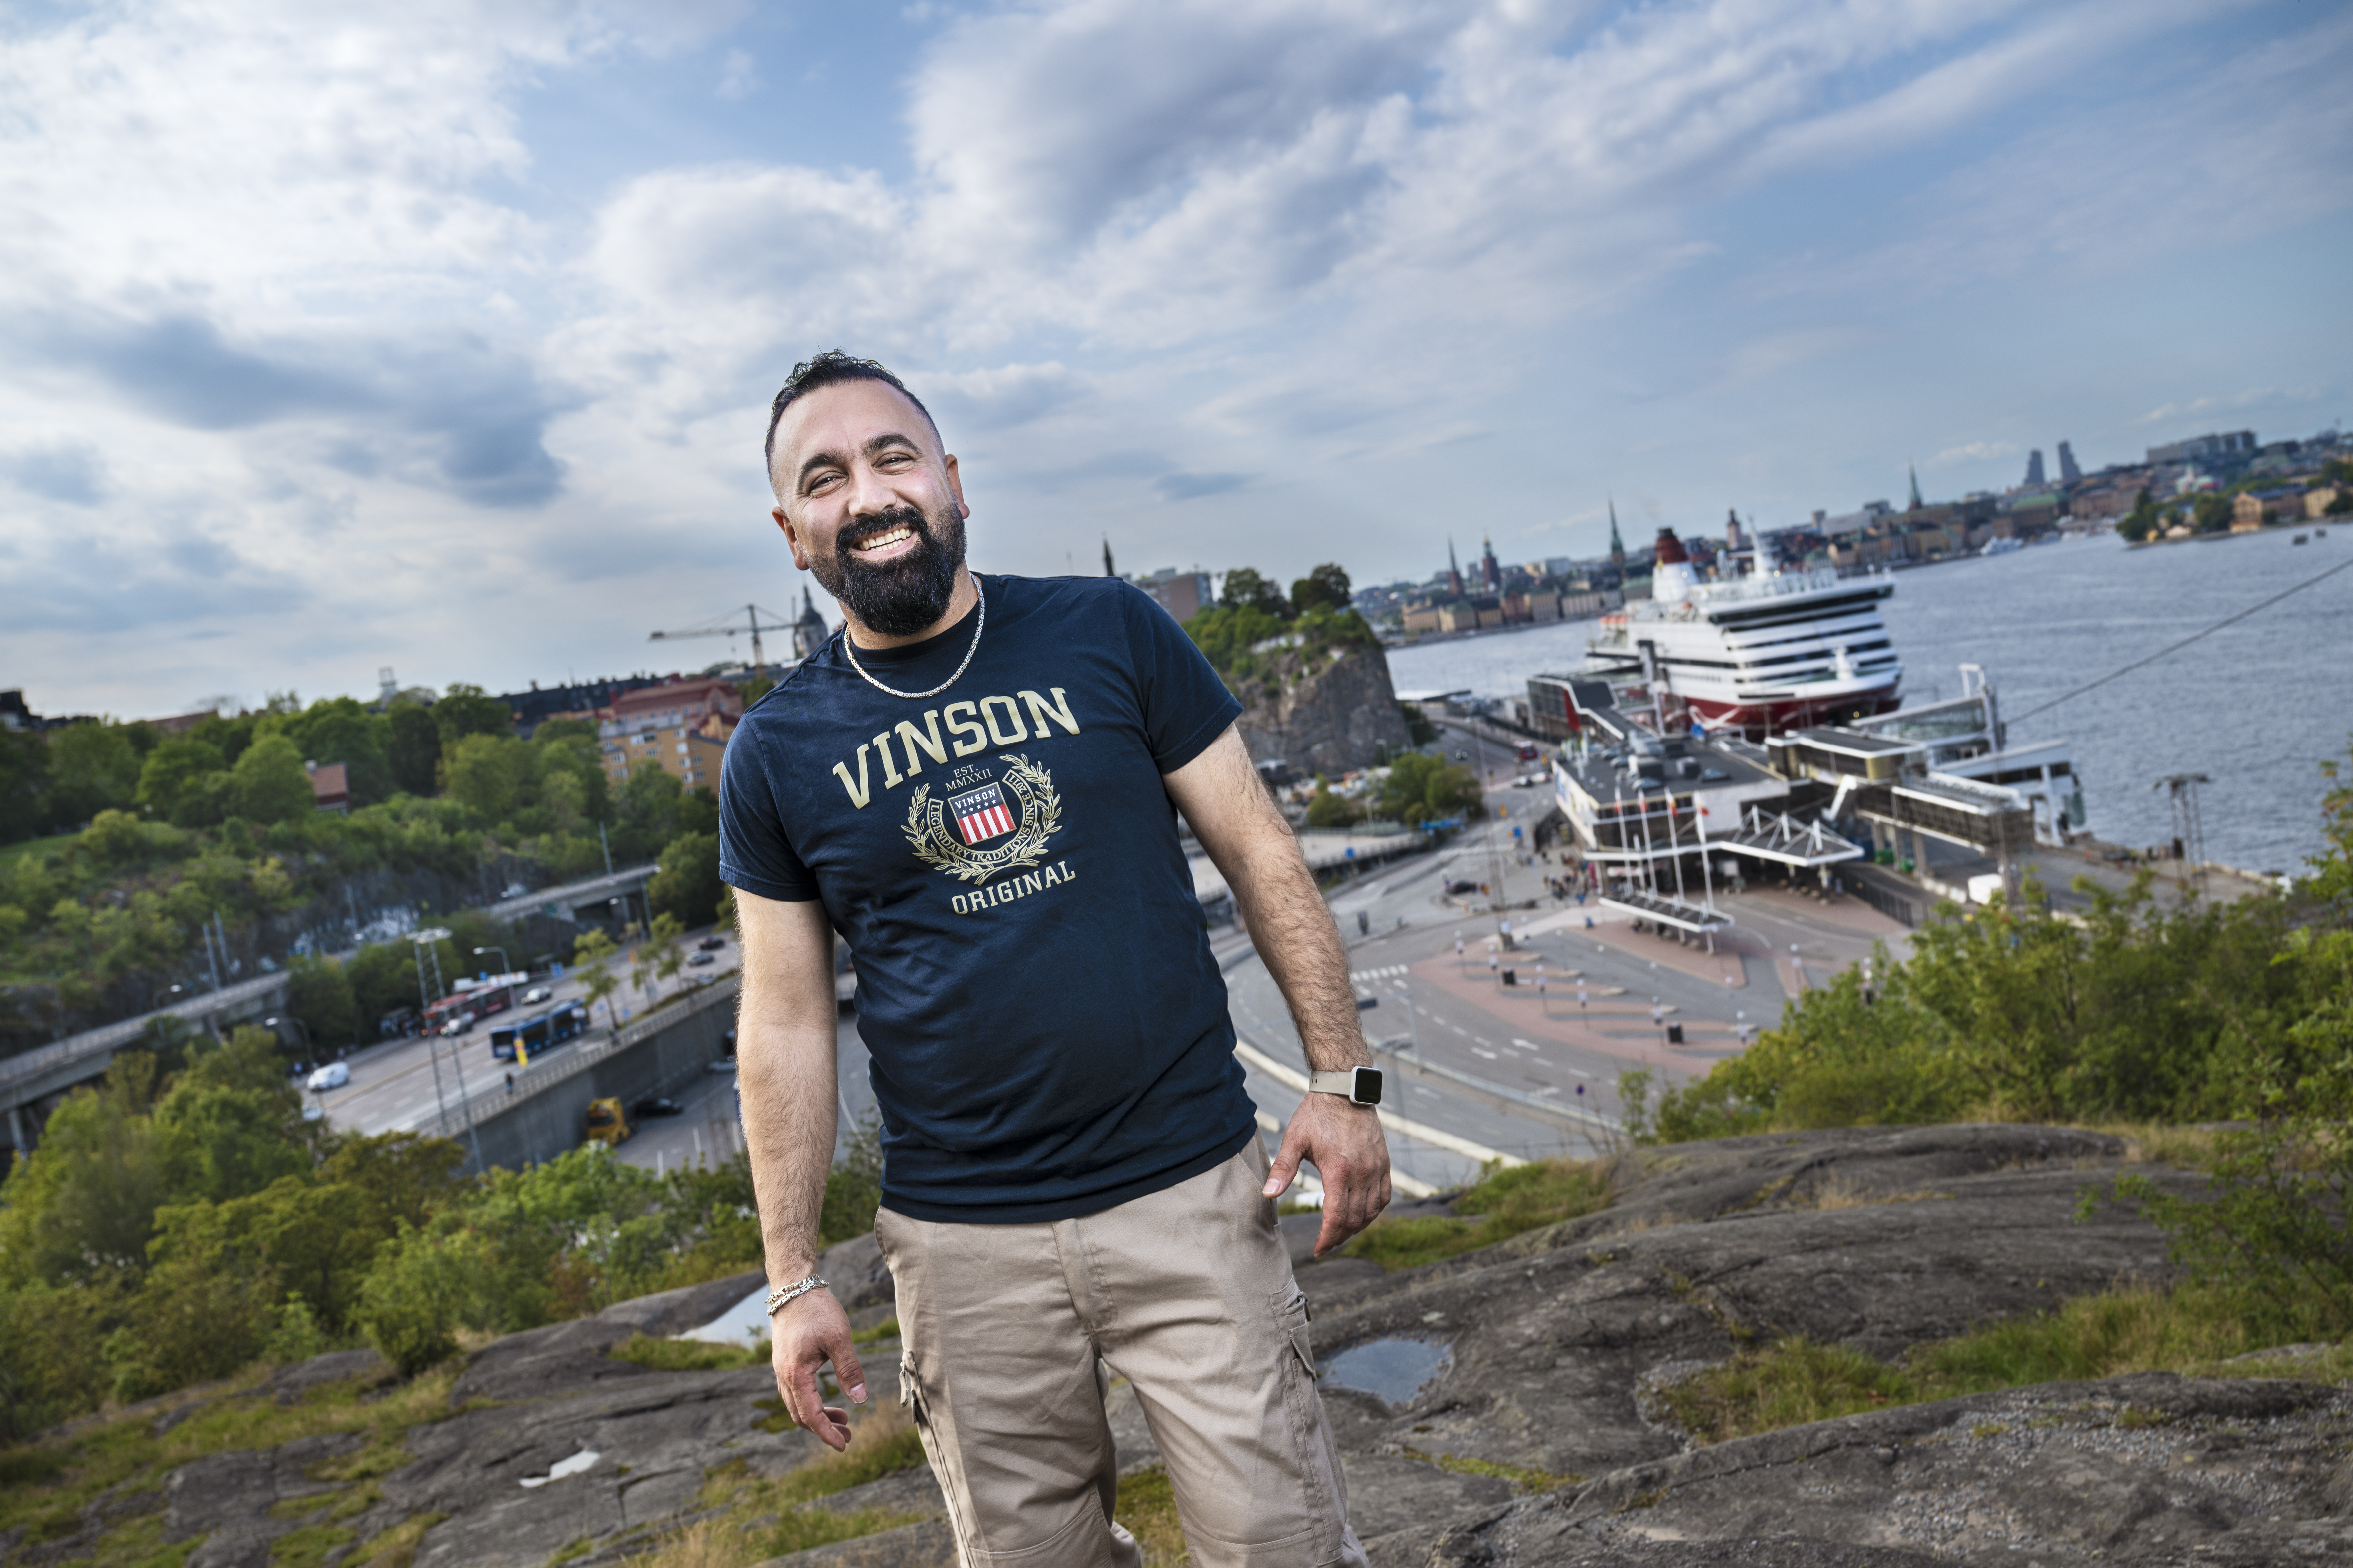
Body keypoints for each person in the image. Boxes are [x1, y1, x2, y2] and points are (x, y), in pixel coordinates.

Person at [721, 351, 1388, 1568]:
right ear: (791, 529)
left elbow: (1262, 852)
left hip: (1188, 1192)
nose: (867, 493)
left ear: (953, 481)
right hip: (963, 1250)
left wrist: (1344, 1085)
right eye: (825, 478)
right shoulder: (775, 751)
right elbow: (782, 1023)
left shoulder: (1109, 628)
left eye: (892, 456)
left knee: (1283, 1547)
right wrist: (791, 1277)